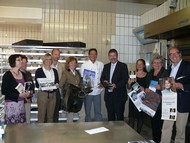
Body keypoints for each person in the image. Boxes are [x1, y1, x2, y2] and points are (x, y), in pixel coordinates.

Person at [161, 47, 190, 143]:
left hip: (182, 103)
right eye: (171, 54)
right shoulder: (168, 69)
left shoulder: (187, 66)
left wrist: (182, 86)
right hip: (169, 103)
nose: (174, 56)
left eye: (176, 53)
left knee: (180, 131)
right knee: (166, 128)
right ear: (169, 57)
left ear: (180, 54)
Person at [100, 49, 129, 121]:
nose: (112, 57)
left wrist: (115, 85)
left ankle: (120, 131)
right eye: (111, 56)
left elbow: (125, 79)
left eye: (114, 55)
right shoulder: (106, 66)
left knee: (119, 116)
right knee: (110, 116)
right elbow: (102, 78)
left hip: (120, 96)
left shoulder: (123, 66)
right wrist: (104, 81)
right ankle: (111, 132)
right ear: (108, 57)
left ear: (117, 56)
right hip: (109, 96)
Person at [145, 54, 168, 143]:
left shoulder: (165, 72)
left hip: (161, 102)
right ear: (152, 64)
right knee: (154, 125)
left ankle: (160, 141)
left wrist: (161, 86)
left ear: (162, 64)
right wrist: (147, 89)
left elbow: (170, 86)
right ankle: (155, 140)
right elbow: (147, 85)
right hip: (151, 101)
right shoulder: (150, 72)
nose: (157, 64)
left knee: (160, 125)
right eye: (155, 62)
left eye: (159, 62)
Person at [1, 54, 30, 124]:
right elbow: (4, 91)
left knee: (21, 127)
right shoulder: (7, 75)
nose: (21, 62)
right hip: (11, 104)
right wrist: (18, 96)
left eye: (21, 60)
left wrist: (27, 94)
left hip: (21, 104)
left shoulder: (23, 74)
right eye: (18, 60)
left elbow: (25, 87)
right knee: (12, 128)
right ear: (13, 62)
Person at [80, 48, 104, 122]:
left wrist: (102, 83)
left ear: (96, 55)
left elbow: (103, 76)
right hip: (88, 92)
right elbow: (82, 78)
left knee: (98, 111)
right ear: (89, 55)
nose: (93, 55)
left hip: (97, 91)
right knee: (87, 112)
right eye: (91, 54)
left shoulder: (101, 64)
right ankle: (88, 125)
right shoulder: (84, 65)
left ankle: (98, 125)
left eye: (95, 54)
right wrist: (85, 88)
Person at [35, 53, 59, 123]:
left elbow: (57, 82)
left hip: (53, 94)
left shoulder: (54, 71)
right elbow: (37, 85)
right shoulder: (39, 71)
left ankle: (49, 133)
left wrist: (56, 85)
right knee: (41, 116)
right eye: (46, 59)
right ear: (43, 61)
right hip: (43, 94)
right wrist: (45, 85)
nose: (48, 61)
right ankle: (41, 133)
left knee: (51, 116)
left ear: (51, 61)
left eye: (50, 59)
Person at [127, 59, 147, 133]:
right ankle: (130, 135)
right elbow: (129, 88)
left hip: (142, 99)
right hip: (134, 99)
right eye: (138, 64)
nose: (139, 65)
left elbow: (150, 88)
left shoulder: (147, 75)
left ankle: (138, 135)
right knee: (131, 118)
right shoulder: (133, 74)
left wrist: (144, 89)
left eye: (141, 64)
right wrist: (129, 83)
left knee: (140, 118)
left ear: (144, 65)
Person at [59, 56, 82, 122]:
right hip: (70, 98)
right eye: (71, 62)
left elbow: (80, 83)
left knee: (82, 114)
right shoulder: (65, 72)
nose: (73, 64)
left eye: (75, 62)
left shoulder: (78, 72)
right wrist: (69, 88)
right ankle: (69, 131)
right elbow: (61, 84)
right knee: (70, 116)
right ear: (68, 63)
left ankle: (80, 130)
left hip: (78, 97)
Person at [51, 48, 65, 122]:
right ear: (52, 54)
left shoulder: (61, 66)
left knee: (56, 110)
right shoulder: (47, 64)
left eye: (58, 55)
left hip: (58, 92)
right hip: (49, 92)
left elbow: (64, 78)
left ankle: (55, 127)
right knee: (49, 111)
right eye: (55, 54)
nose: (57, 56)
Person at [20, 55, 35, 124]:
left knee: (27, 119)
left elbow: (32, 87)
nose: (24, 64)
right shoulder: (16, 74)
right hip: (19, 100)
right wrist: (24, 96)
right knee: (20, 120)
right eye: (22, 62)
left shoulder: (28, 74)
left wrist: (29, 95)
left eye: (25, 62)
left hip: (28, 100)